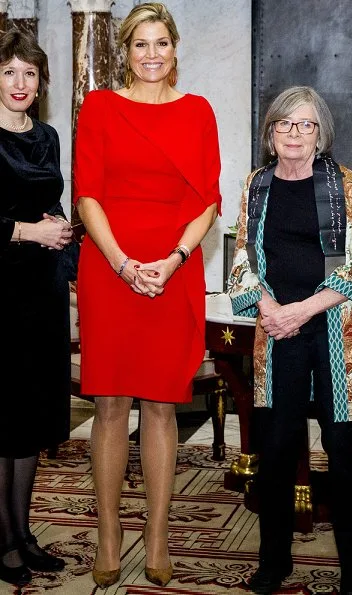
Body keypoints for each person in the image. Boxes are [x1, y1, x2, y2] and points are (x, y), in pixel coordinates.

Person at [73, 2, 221, 589]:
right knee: (109, 405)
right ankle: (109, 533)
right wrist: (122, 262)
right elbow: (87, 193)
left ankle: (157, 532)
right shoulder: (101, 106)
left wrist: (172, 260)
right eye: (141, 44)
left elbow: (207, 198)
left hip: (171, 267)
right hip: (110, 265)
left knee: (161, 405)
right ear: (125, 51)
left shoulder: (198, 111)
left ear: (176, 50)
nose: (152, 54)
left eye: (161, 43)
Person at [227, 86, 352, 595]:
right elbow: (242, 257)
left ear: (320, 134)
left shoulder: (347, 184)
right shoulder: (256, 185)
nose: (294, 134)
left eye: (305, 125)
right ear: (270, 134)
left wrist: (303, 308)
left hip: (338, 328)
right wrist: (270, 309)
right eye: (284, 125)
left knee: (345, 454)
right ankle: (274, 563)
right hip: (278, 329)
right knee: (275, 449)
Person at [0, 29, 72, 587]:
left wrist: (62, 235)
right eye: (9, 72)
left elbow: (52, 200)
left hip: (42, 295)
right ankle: (2, 542)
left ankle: (23, 533)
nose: (20, 83)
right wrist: (26, 231)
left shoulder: (46, 136)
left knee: (29, 419)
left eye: (30, 73)